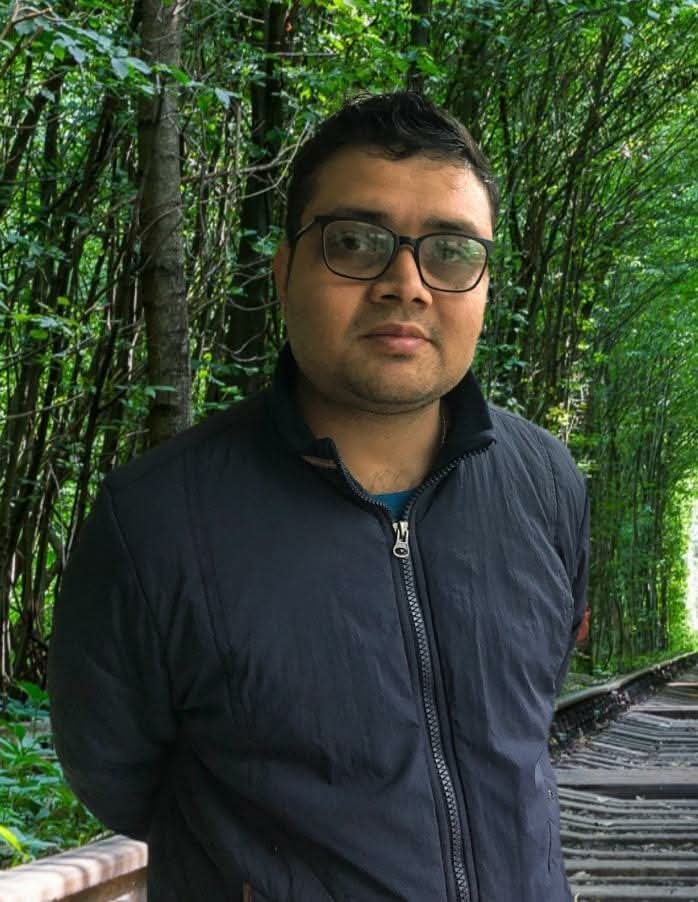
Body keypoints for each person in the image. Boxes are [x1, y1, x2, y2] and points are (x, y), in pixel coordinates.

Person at [49, 91, 589, 902]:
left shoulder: (546, 482)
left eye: (450, 251)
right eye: (356, 242)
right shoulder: (154, 522)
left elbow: (527, 718)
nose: (406, 285)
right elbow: (117, 773)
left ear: (483, 286)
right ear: (284, 271)